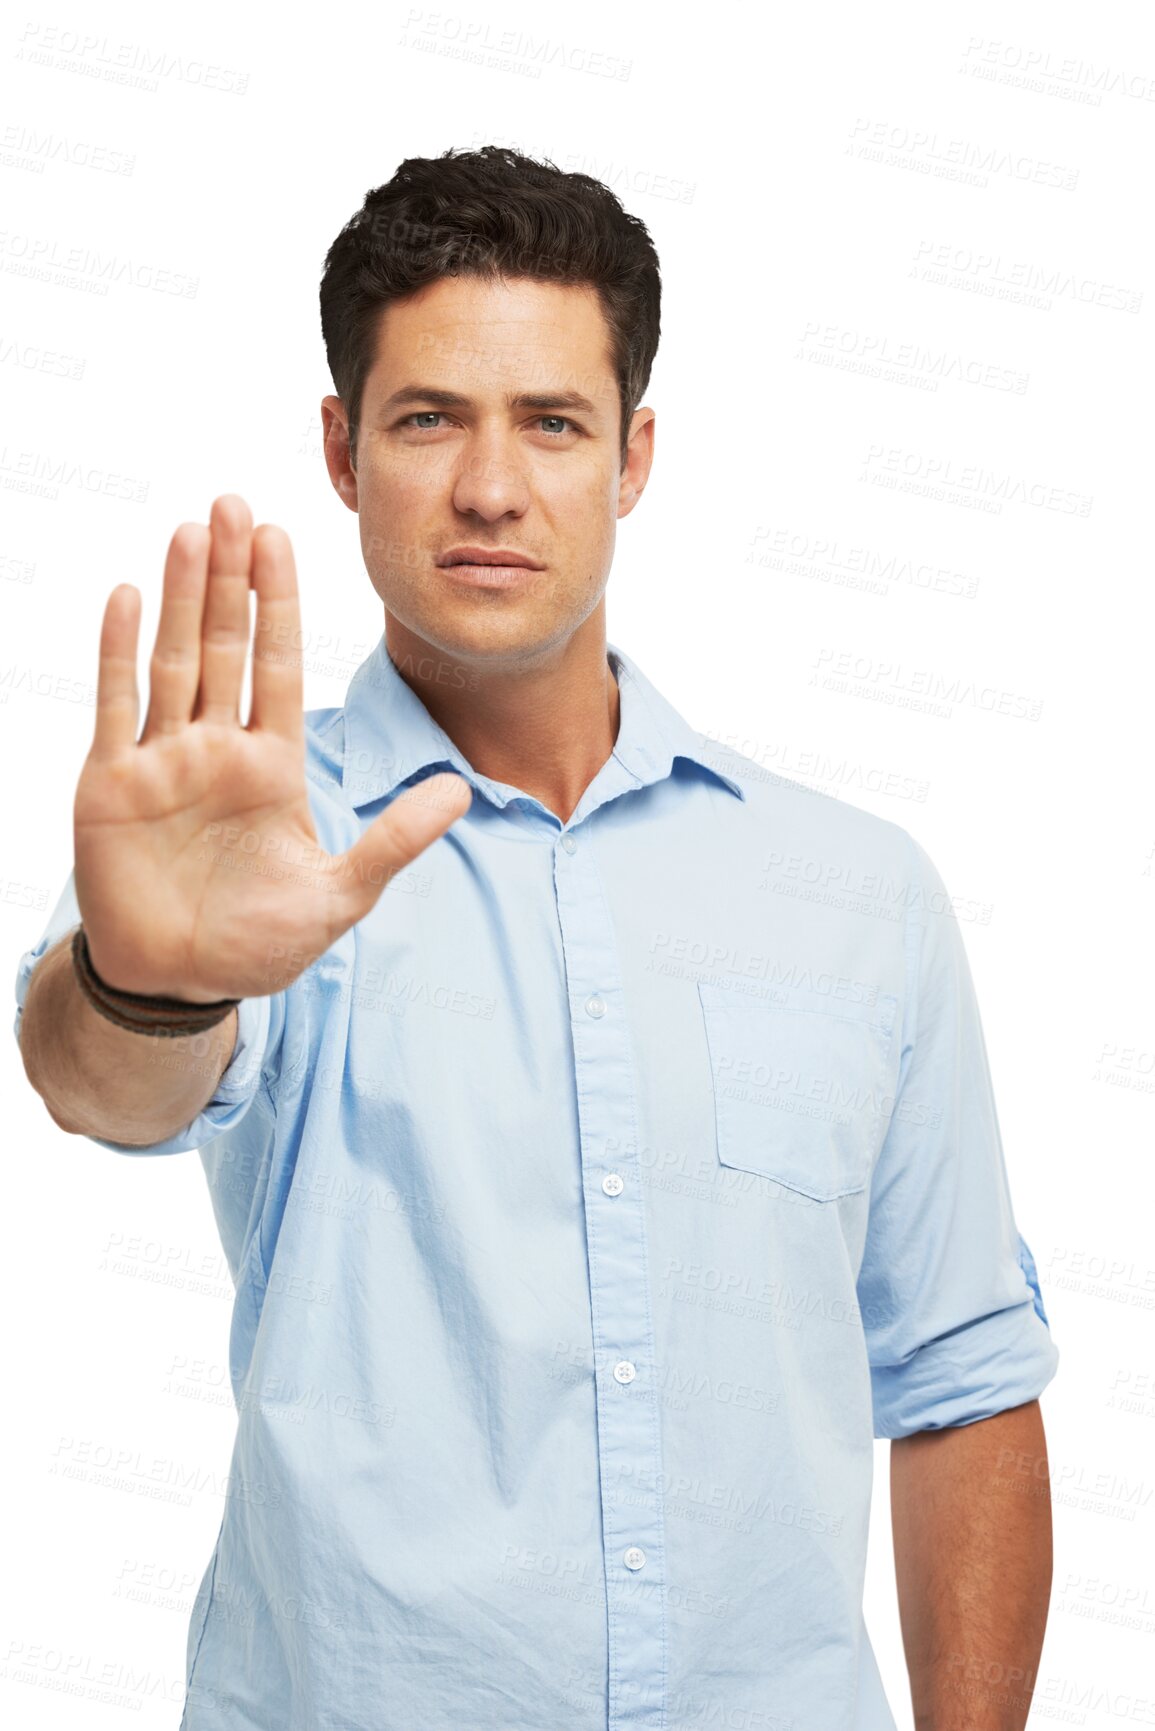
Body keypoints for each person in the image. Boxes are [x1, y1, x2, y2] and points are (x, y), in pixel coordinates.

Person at [14, 145, 1059, 1731]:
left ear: (634, 456)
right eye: (429, 417)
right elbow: (106, 1086)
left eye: (552, 423)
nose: (492, 488)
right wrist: (147, 984)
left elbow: (965, 1382)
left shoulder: (858, 894)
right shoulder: (259, 840)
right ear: (342, 450)